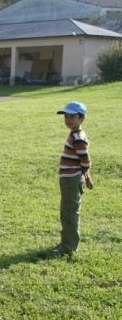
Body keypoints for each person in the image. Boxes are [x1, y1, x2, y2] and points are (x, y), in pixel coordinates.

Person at [53, 102, 93, 255]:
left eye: (72, 117)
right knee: (67, 211)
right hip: (69, 178)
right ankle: (67, 242)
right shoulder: (74, 134)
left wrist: (87, 176)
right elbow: (82, 161)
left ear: (81, 118)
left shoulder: (78, 138)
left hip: (71, 179)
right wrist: (87, 176)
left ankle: (69, 247)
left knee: (69, 212)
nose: (68, 120)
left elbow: (85, 160)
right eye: (66, 116)